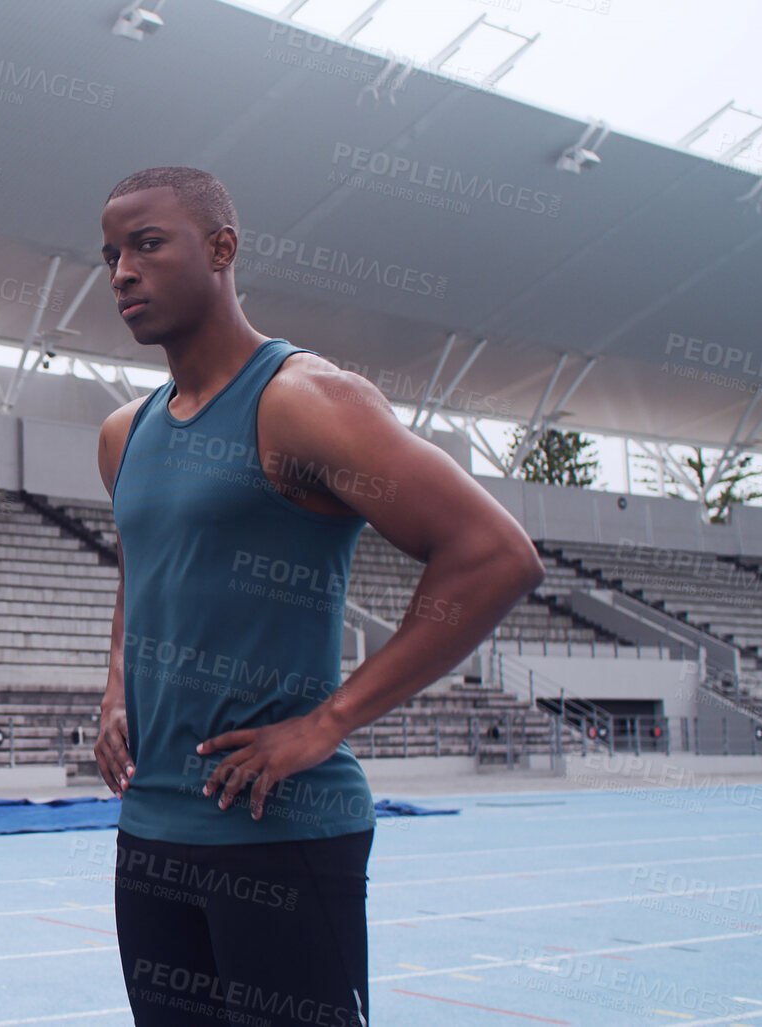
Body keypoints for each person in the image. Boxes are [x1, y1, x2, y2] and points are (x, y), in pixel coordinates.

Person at [92, 166, 544, 1026]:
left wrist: (328, 721)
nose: (121, 271)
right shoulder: (125, 432)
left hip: (280, 833)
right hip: (149, 834)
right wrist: (116, 685)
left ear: (220, 248)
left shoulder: (302, 401)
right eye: (110, 254)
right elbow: (137, 567)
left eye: (146, 245)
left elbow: (494, 555)